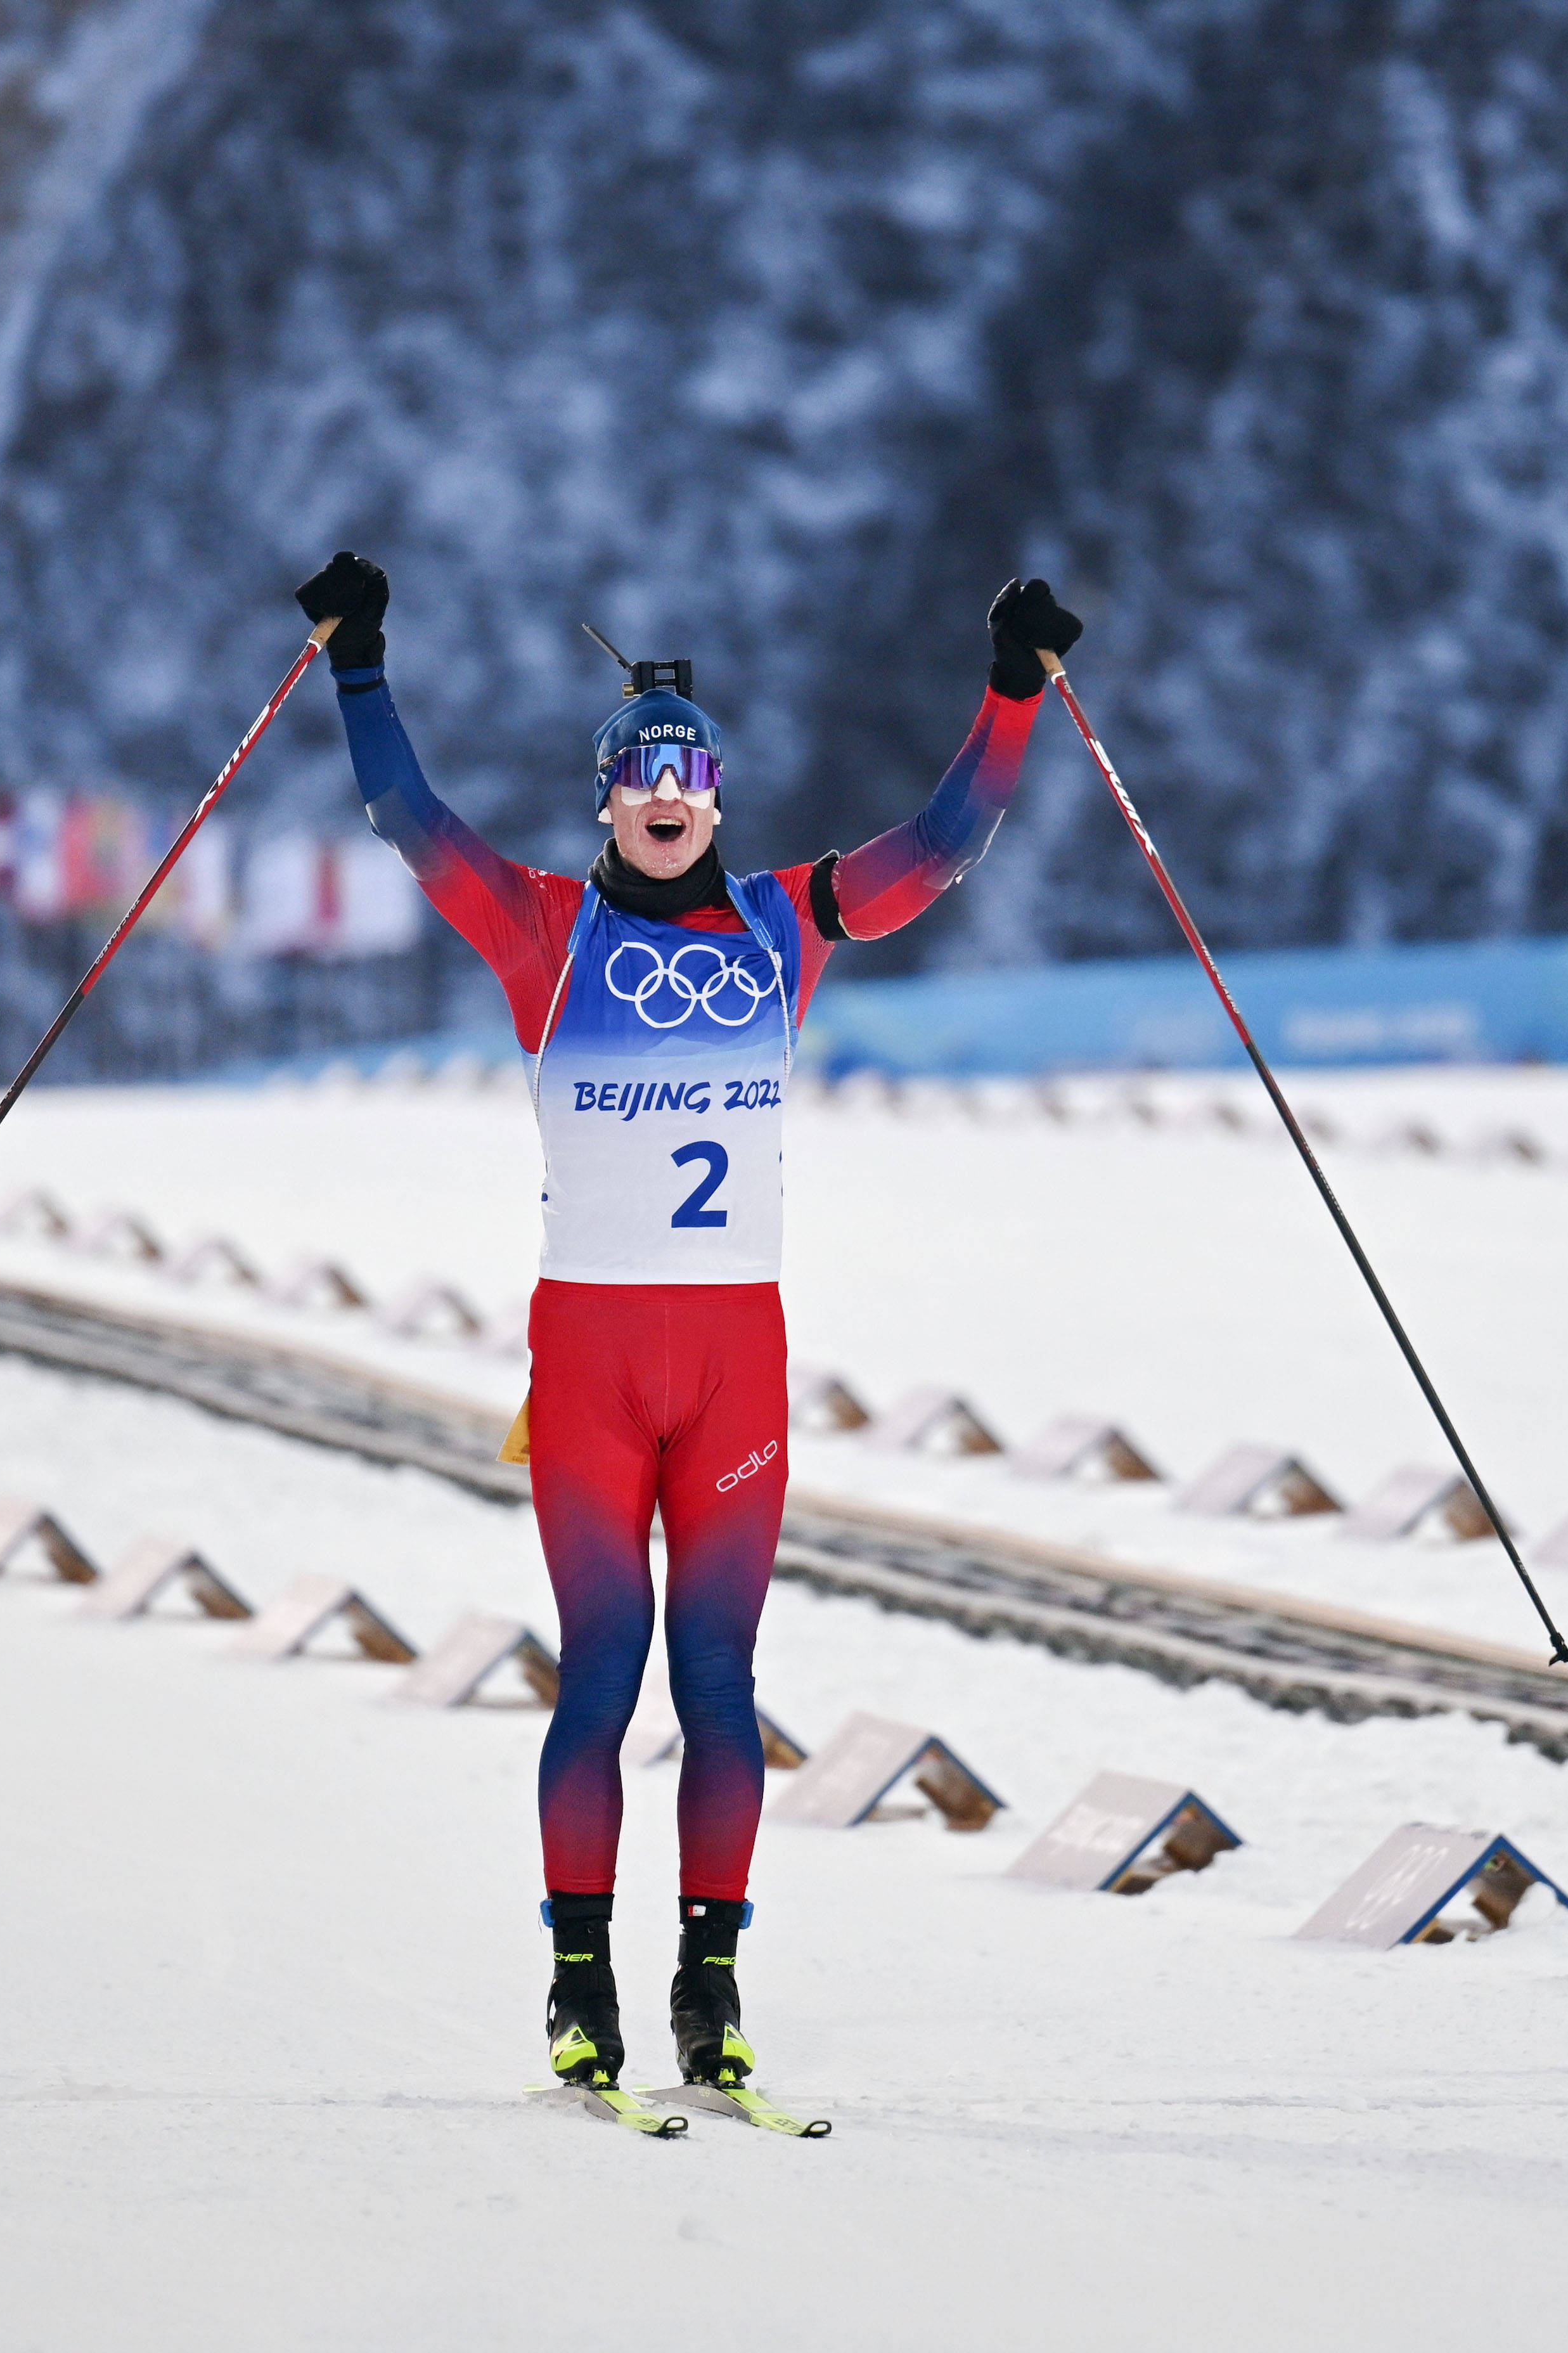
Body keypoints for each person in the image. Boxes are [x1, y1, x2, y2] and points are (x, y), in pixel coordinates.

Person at [295, 551, 1080, 2107]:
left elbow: (939, 849)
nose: (665, 795)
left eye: (688, 774)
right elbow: (408, 821)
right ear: (606, 802)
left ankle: (707, 1991)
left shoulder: (791, 923)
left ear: (717, 795)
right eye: (638, 776)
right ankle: (576, 1985)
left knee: (718, 1682)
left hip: (735, 1368)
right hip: (592, 1363)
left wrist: (1009, 693)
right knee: (602, 1676)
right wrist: (360, 663)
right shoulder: (542, 931)